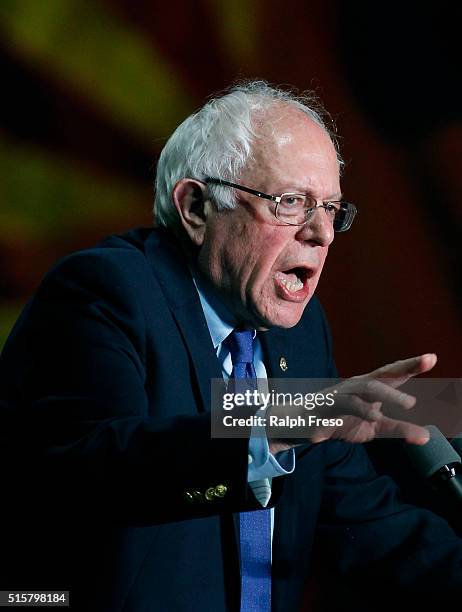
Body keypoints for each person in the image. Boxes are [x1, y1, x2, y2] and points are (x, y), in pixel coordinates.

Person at [1, 81, 461, 612]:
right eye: (291, 202)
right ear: (196, 208)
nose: (323, 234)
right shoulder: (106, 292)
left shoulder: (300, 332)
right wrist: (275, 426)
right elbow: (96, 470)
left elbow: (365, 522)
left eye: (332, 209)